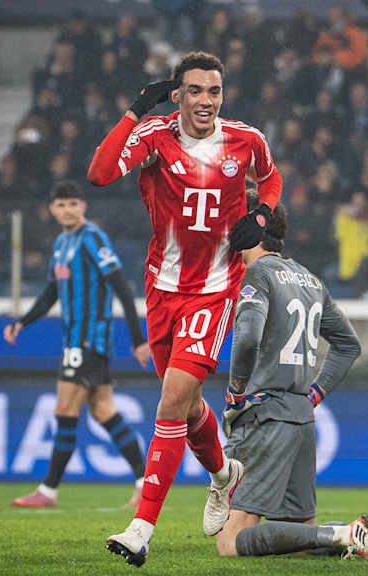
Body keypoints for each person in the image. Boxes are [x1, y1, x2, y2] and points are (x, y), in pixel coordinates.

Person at [86, 51, 283, 566]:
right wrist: (134, 112)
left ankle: (140, 527)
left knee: (172, 401)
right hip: (161, 290)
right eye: (195, 90)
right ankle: (224, 475)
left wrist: (261, 214)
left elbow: (273, 177)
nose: (205, 101)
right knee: (189, 407)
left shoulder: (246, 140)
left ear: (222, 95)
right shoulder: (154, 137)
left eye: (213, 91)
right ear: (178, 94)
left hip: (216, 290)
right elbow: (100, 173)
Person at [214, 192, 368, 563]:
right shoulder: (309, 279)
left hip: (265, 414)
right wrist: (313, 393)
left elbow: (248, 336)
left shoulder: (257, 274)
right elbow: (349, 345)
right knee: (300, 540)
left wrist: (236, 392)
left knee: (232, 540)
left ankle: (347, 532)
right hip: (301, 418)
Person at [4, 181, 151, 508]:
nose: (68, 210)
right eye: (61, 205)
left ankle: (48, 491)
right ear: (52, 209)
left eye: (73, 203)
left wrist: (139, 340)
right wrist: (22, 322)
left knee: (64, 409)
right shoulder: (61, 243)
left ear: (83, 206)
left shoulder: (93, 238)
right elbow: (50, 293)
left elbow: (122, 288)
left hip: (88, 339)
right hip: (74, 339)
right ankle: (145, 483)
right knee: (103, 410)